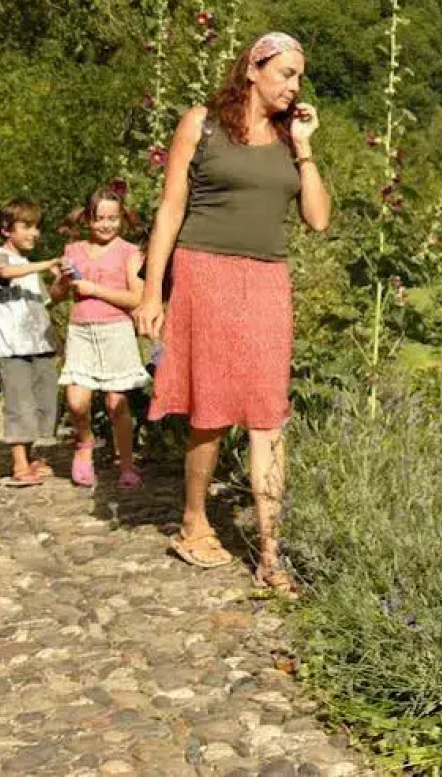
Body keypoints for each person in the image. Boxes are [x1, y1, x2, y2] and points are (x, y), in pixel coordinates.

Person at [133, 32, 329, 593]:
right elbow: (170, 208)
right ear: (252, 68)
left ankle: (271, 555)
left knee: (268, 412)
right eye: (285, 73)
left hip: (268, 280)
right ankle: (193, 522)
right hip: (205, 270)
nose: (294, 86)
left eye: (299, 77)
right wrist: (152, 291)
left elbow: (317, 220)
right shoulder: (202, 123)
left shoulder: (292, 140)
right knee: (212, 406)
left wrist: (306, 145)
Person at [54, 186, 151, 489]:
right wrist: (63, 281)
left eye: (112, 218)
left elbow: (137, 299)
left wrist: (94, 290)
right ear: (87, 220)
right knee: (77, 400)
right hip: (82, 332)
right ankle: (84, 443)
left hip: (116, 332)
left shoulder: (130, 253)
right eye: (99, 219)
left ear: (121, 217)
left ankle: (126, 462)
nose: (105, 225)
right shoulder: (74, 250)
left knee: (116, 404)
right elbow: (56, 295)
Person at [0, 198, 63, 487]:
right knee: (20, 404)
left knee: (44, 403)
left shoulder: (28, 265)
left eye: (36, 227)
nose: (34, 233)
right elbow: (4, 274)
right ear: (6, 229)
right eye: (26, 227)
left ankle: (31, 457)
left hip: (41, 346)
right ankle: (18, 465)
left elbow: (45, 304)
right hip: (13, 348)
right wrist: (45, 264)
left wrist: (60, 281)